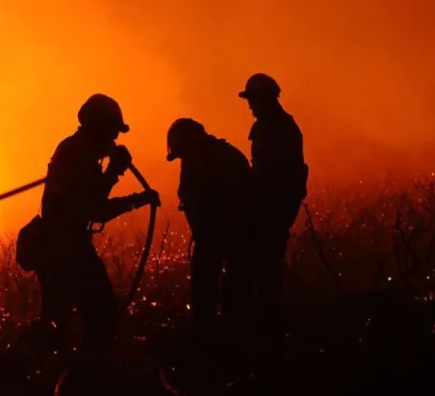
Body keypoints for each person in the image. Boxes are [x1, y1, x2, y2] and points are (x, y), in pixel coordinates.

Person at [29, 93, 160, 360]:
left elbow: (91, 204)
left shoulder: (77, 153)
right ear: (98, 126)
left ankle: (40, 376)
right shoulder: (77, 154)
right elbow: (92, 207)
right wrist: (116, 172)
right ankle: (85, 380)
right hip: (68, 252)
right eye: (112, 131)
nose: (114, 140)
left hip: (59, 250)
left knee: (56, 322)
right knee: (103, 317)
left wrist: (136, 196)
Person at [166, 118, 253, 337]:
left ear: (190, 141)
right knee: (220, 291)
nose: (183, 157)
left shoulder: (216, 159)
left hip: (230, 235)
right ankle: (220, 334)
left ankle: (224, 337)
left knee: (225, 290)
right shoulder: (207, 156)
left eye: (183, 151)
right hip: (220, 237)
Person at [238, 73, 309, 329]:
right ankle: (265, 321)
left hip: (272, 208)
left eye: (252, 99)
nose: (250, 105)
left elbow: (270, 173)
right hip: (275, 206)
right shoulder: (278, 125)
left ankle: (265, 325)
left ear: (264, 98)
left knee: (264, 268)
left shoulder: (275, 128)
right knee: (266, 267)